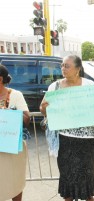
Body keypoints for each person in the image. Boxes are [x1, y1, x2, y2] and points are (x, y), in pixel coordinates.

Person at [40, 55, 94, 201]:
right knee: (68, 182)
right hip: (65, 141)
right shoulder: (55, 86)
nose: (63, 68)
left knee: (87, 184)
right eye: (62, 65)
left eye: (67, 66)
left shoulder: (89, 85)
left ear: (78, 69)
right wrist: (45, 108)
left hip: (86, 141)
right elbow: (42, 108)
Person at [0, 64, 30, 201]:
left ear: (0, 79)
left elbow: (26, 119)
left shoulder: (16, 95)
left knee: (15, 181)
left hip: (13, 147)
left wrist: (10, 115)